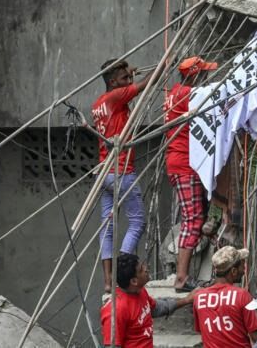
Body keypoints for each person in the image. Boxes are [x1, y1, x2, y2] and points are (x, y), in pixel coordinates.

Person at [93, 58, 151, 293]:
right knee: (137, 222)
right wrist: (164, 66)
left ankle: (108, 281)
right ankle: (124, 273)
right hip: (121, 171)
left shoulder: (99, 103)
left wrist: (129, 74)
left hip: (104, 172)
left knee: (107, 227)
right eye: (124, 78)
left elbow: (129, 89)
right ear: (112, 81)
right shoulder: (116, 97)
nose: (128, 81)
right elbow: (148, 84)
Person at [165, 56, 219, 293]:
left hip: (180, 162)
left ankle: (183, 275)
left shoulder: (174, 92)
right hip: (184, 163)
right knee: (193, 219)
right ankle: (182, 277)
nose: (207, 76)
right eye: (204, 72)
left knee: (194, 217)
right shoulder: (188, 94)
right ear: (194, 75)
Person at [101, 253, 194, 348]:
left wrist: (186, 300)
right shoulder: (116, 311)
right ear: (134, 281)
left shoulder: (140, 291)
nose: (146, 269)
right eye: (141, 269)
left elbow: (157, 308)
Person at [192, 247, 257, 347]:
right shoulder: (242, 296)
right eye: (243, 265)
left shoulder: (199, 297)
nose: (244, 270)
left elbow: (204, 331)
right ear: (233, 271)